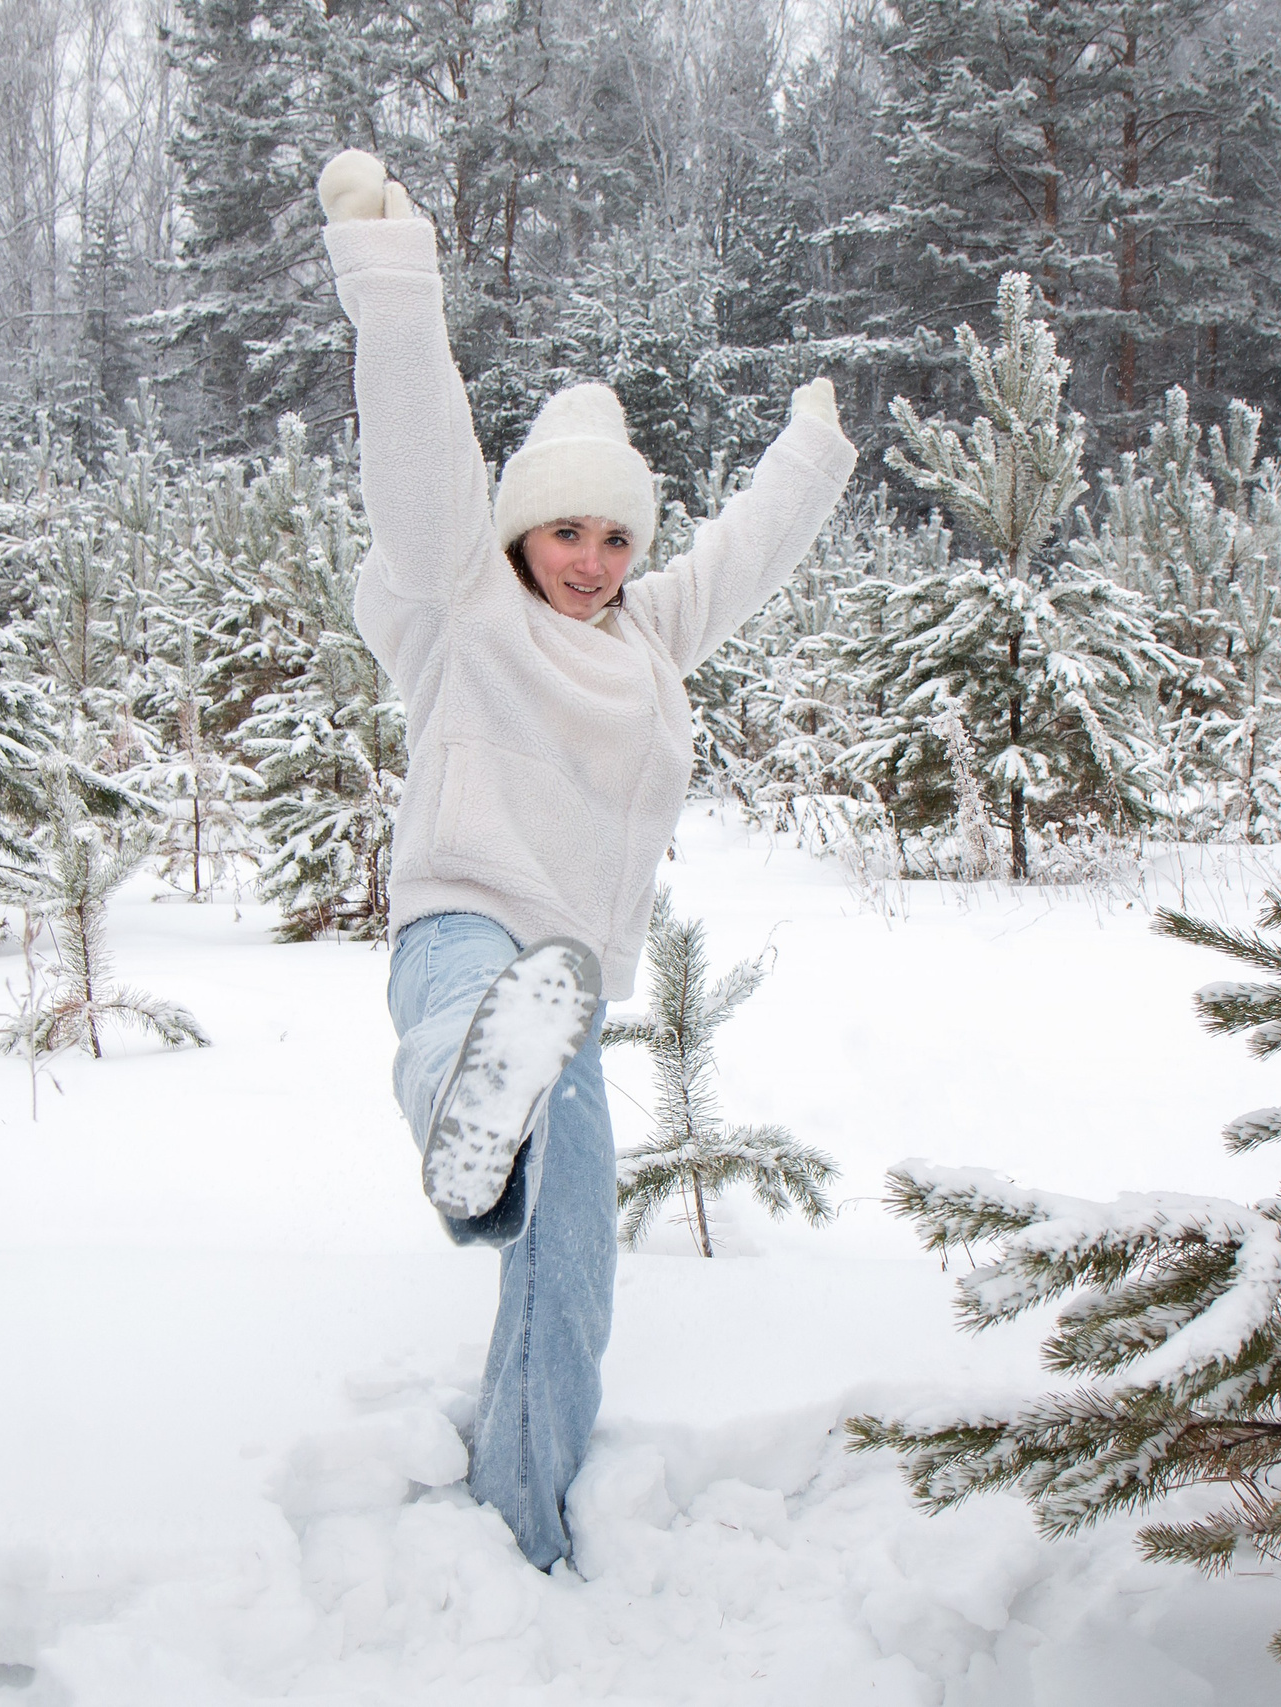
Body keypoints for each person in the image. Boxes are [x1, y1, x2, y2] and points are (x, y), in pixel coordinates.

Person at [317, 149, 857, 1571]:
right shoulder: (463, 611)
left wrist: (808, 447)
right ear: (520, 529)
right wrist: (392, 278)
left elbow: (747, 552)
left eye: (617, 535)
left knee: (579, 1267)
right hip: (465, 939)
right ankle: (465, 1122)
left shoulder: (652, 642)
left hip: (567, 1000)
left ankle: (524, 1514)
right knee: (468, 1021)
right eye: (568, 527)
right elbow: (424, 454)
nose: (594, 561)